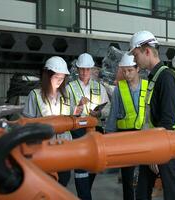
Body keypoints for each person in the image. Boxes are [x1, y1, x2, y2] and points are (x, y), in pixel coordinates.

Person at [129, 31, 175, 200]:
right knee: (142, 190)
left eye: (136, 54)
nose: (134, 60)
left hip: (165, 144)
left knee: (171, 191)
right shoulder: (154, 77)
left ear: (147, 51)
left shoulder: (166, 77)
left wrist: (158, 151)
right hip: (153, 142)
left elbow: (168, 119)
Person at [22, 56, 73, 187]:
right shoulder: (35, 95)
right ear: (47, 76)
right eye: (56, 77)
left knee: (63, 182)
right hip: (43, 149)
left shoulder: (66, 96)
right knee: (45, 185)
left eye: (62, 78)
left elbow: (71, 118)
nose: (60, 81)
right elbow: (27, 123)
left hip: (65, 148)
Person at [105, 53, 148, 200]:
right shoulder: (119, 89)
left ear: (138, 69)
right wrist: (109, 136)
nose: (127, 74)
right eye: (124, 71)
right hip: (125, 137)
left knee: (145, 175)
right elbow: (113, 113)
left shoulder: (148, 87)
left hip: (144, 134)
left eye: (130, 70)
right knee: (127, 176)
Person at [67, 52, 109, 200]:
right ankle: (85, 197)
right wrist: (77, 108)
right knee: (81, 167)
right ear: (77, 70)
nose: (84, 72)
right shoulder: (69, 88)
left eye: (87, 69)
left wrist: (100, 113)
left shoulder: (100, 88)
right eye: (81, 69)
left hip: (95, 130)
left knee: (93, 166)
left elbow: (107, 108)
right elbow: (65, 111)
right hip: (78, 130)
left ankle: (85, 193)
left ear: (92, 70)